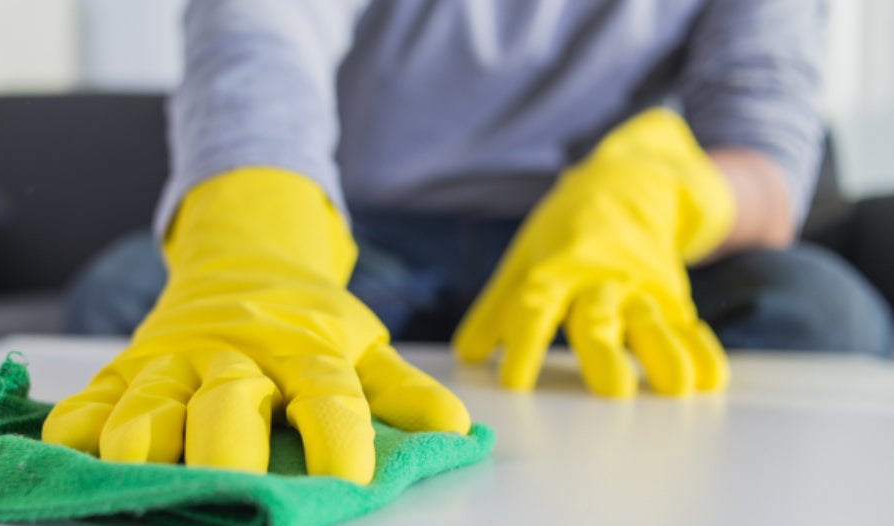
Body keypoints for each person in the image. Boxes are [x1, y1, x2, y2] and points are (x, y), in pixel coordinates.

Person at [44, 1, 893, 484]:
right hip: (368, 235)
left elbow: (765, 148)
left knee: (825, 315)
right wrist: (256, 233)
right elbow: (260, 32)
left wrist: (657, 199)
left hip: (600, 248)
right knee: (122, 294)